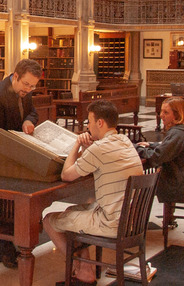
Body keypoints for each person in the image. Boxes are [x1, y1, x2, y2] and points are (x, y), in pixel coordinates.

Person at [44, 100, 144, 286]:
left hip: (112, 223)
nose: (87, 126)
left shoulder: (99, 148)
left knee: (49, 220)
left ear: (100, 123)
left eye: (89, 121)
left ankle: (78, 269)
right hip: (132, 221)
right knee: (74, 211)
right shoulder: (124, 141)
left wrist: (76, 144)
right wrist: (88, 147)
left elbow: (67, 175)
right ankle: (87, 270)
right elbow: (99, 161)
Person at [0, 58, 42, 268]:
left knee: (12, 203)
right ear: (16, 76)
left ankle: (7, 246)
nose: (29, 89)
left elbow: (31, 111)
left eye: (33, 86)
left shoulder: (25, 91)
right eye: (26, 84)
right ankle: (3, 249)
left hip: (13, 150)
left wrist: (29, 121)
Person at [137, 97, 184, 203]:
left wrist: (136, 148)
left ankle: (139, 214)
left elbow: (157, 157)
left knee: (142, 183)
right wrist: (150, 145)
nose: (161, 115)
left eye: (166, 112)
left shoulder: (178, 133)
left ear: (177, 115)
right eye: (161, 111)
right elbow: (169, 147)